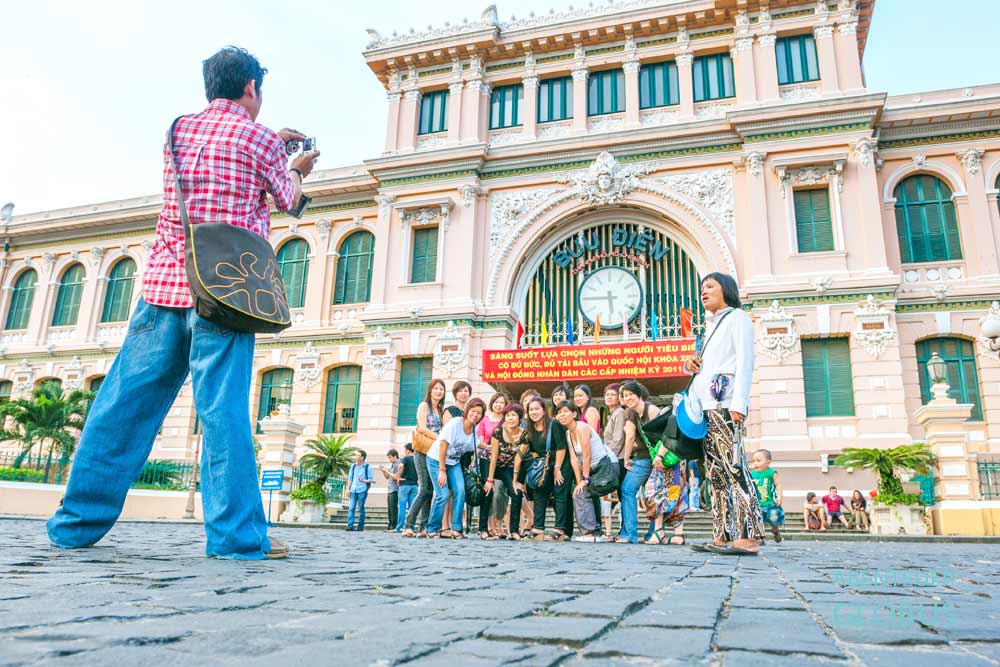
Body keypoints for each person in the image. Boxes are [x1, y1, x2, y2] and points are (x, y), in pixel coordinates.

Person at [46, 47, 319, 561]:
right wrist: (297, 166)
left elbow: (220, 169)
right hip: (224, 294)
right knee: (223, 417)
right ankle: (237, 539)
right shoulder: (259, 138)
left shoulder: (177, 130)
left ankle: (74, 524)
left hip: (163, 286)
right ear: (252, 89)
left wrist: (270, 147)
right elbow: (290, 201)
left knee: (121, 408)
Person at [685, 273, 764, 556]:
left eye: (710, 286)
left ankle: (750, 535)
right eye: (702, 288)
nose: (703, 292)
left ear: (726, 290)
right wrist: (691, 365)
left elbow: (745, 361)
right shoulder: (709, 327)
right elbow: (709, 366)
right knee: (716, 474)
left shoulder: (738, 318)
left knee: (734, 467)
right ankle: (721, 534)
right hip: (706, 406)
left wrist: (739, 402)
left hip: (726, 404)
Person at [425, 398, 486, 539]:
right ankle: (432, 528)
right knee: (443, 495)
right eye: (473, 411)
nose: (475, 415)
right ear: (467, 410)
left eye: (479, 413)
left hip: (453, 463)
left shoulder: (474, 429)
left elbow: (476, 445)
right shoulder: (455, 423)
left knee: (460, 491)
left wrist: (490, 447)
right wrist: (442, 470)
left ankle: (456, 528)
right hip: (436, 460)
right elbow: (443, 445)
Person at [557, 402, 617, 543]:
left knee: (581, 493)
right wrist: (579, 481)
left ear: (574, 414)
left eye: (565, 411)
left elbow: (587, 455)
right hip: (594, 470)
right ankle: (596, 532)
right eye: (559, 412)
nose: (562, 415)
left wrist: (585, 479)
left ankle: (589, 533)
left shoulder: (581, 427)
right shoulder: (568, 433)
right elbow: (573, 459)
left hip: (607, 467)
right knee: (582, 490)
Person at [517, 397, 571, 541]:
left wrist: (557, 468)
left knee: (559, 494)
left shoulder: (554, 424)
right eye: (531, 409)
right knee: (539, 493)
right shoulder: (529, 429)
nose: (534, 412)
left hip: (560, 463)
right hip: (543, 466)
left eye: (537, 409)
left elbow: (561, 447)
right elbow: (526, 450)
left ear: (543, 410)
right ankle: (538, 529)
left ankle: (560, 530)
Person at [402, 379, 445, 538]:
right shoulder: (424, 406)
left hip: (435, 453)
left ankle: (423, 527)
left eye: (441, 389)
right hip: (422, 450)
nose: (439, 391)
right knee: (424, 489)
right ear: (430, 390)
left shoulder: (441, 410)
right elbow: (422, 427)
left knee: (430, 490)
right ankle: (409, 525)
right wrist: (440, 438)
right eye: (436, 388)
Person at [616, 381, 656, 544]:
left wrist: (626, 458)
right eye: (625, 396)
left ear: (639, 394)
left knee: (627, 489)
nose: (627, 398)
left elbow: (630, 436)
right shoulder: (636, 411)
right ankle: (653, 533)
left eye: (630, 394)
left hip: (648, 458)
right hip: (654, 458)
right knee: (654, 494)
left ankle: (630, 534)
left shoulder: (649, 410)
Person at [484, 404, 529, 540]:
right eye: (508, 415)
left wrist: (515, 481)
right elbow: (494, 457)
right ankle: (483, 528)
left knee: (516, 493)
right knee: (488, 491)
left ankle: (514, 531)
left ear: (520, 418)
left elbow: (518, 459)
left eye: (513, 415)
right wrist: (490, 480)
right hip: (493, 466)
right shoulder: (498, 431)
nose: (510, 418)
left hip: (509, 469)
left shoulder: (525, 435)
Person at [476, 392, 508, 539]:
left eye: (502, 402)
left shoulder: (508, 420)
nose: (499, 405)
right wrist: (491, 448)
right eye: (496, 402)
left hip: (503, 462)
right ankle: (486, 526)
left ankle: (499, 524)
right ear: (492, 403)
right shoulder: (484, 420)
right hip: (486, 460)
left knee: (500, 491)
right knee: (487, 491)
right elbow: (480, 442)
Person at [750, 449, 784, 543]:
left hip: (770, 503)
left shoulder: (771, 473)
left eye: (758, 461)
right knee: (758, 521)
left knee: (774, 521)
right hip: (758, 504)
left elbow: (778, 485)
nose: (755, 463)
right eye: (754, 461)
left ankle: (775, 532)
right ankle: (760, 538)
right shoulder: (752, 474)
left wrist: (780, 497)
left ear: (768, 462)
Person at [346, 450, 374, 531]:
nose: (356, 457)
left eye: (358, 455)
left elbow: (370, 479)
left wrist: (363, 481)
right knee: (351, 508)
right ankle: (350, 526)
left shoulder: (367, 467)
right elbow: (350, 478)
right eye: (356, 455)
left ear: (362, 457)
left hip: (362, 490)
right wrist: (348, 489)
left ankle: (360, 526)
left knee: (361, 508)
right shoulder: (353, 466)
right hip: (353, 490)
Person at [395, 444, 418, 532]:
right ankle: (411, 526)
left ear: (408, 450)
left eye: (405, 450)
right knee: (412, 508)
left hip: (404, 485)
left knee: (402, 507)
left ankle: (400, 527)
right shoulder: (417, 459)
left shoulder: (405, 458)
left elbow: (400, 466)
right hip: (414, 485)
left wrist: (398, 477)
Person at [380, 449, 401, 532]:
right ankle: (390, 525)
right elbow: (387, 477)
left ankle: (393, 526)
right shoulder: (392, 465)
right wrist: (384, 471)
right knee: (390, 509)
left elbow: (396, 476)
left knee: (393, 509)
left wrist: (387, 472)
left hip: (395, 489)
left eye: (390, 457)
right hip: (390, 489)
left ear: (395, 456)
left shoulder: (398, 464)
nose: (389, 459)